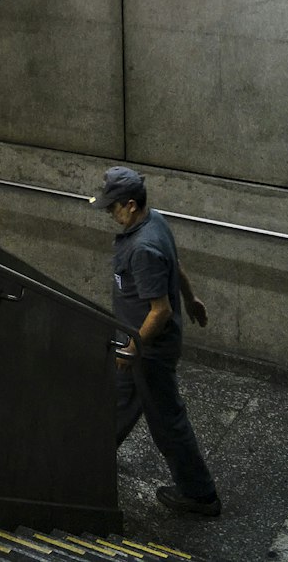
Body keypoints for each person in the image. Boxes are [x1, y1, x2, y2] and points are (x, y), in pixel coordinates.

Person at [91, 165, 221, 518]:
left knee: (167, 421)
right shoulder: (155, 220)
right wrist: (191, 300)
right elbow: (176, 268)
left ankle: (200, 494)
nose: (108, 213)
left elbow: (160, 311)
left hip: (148, 351)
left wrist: (133, 349)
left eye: (112, 207)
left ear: (131, 205)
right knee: (118, 400)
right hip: (134, 344)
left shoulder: (143, 246)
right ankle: (92, 460)